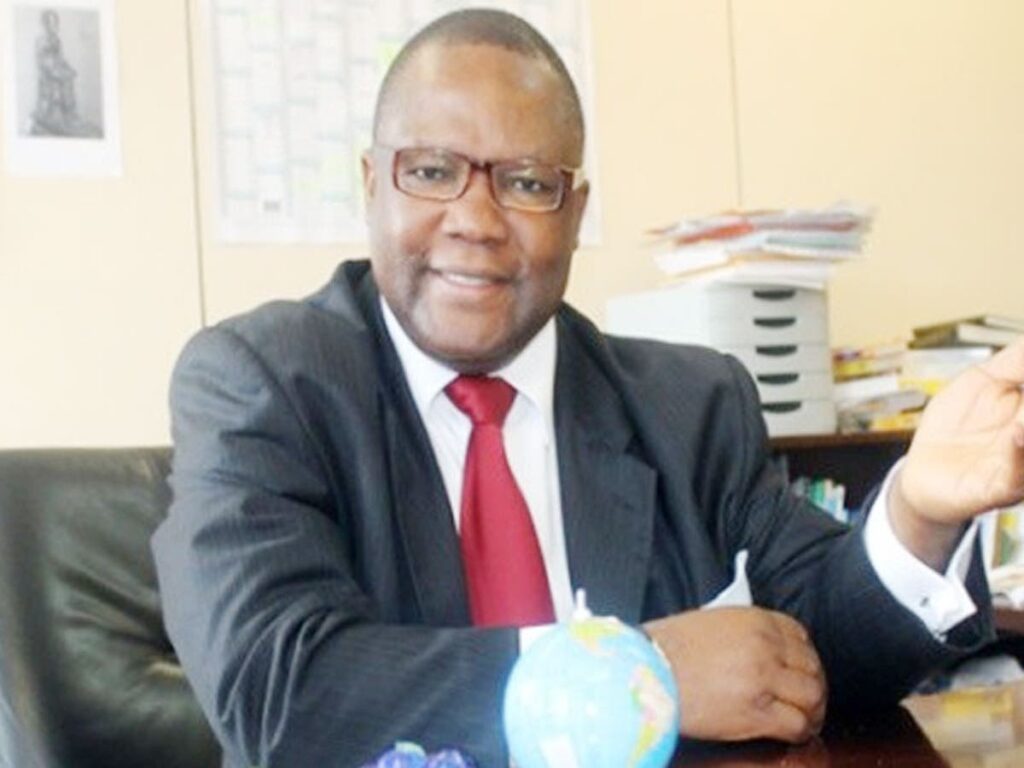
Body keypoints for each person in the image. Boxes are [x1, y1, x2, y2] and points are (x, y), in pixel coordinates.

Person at [152, 8, 1024, 767]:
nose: (476, 220)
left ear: (574, 212)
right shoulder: (262, 382)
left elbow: (818, 656)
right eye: (431, 171)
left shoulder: (691, 406)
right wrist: (642, 673)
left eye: (527, 183)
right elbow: (277, 689)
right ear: (373, 184)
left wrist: (918, 512)